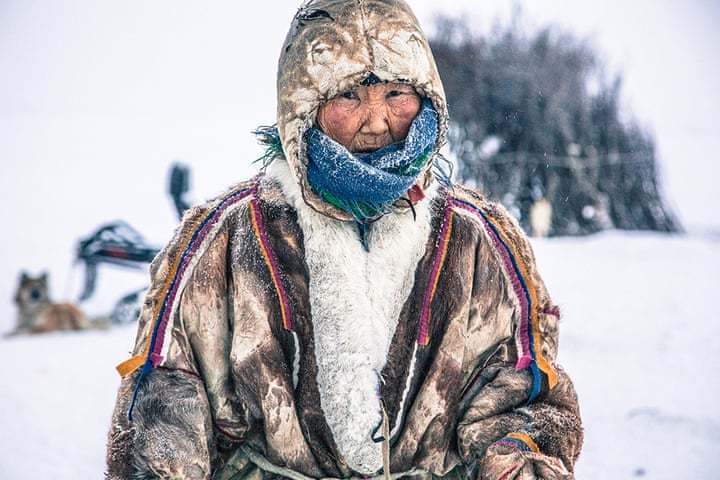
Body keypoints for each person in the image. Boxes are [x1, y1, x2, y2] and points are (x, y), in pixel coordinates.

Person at [105, 1, 583, 479]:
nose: (376, 121)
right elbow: (165, 403)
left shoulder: (479, 239)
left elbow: (526, 397)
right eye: (349, 96)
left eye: (397, 93)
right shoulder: (226, 237)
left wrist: (516, 458)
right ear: (303, 105)